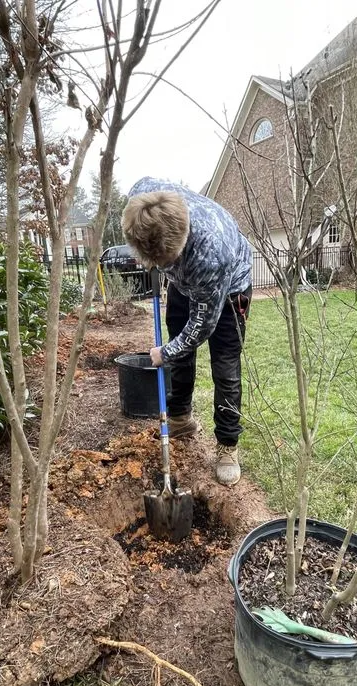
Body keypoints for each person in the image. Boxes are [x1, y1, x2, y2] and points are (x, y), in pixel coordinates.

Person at [122, 178, 252, 486]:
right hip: (185, 281)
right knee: (180, 352)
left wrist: (164, 353)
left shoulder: (211, 254)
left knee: (225, 367)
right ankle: (180, 418)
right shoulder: (142, 196)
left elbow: (201, 327)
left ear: (180, 247)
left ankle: (228, 445)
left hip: (229, 287)